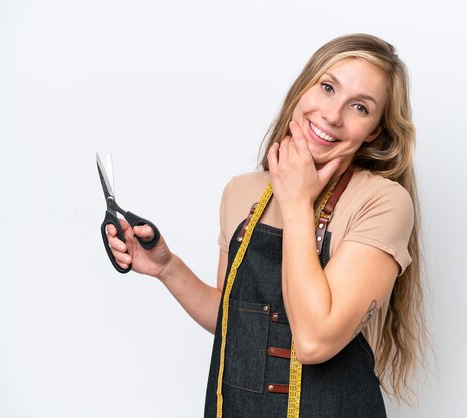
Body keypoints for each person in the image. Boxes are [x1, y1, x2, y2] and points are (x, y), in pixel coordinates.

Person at [106, 33, 426, 417]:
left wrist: (295, 204)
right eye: (327, 88)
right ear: (303, 88)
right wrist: (166, 267)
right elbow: (235, 322)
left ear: (374, 130)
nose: (332, 115)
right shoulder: (241, 192)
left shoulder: (382, 202)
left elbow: (313, 340)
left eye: (359, 107)